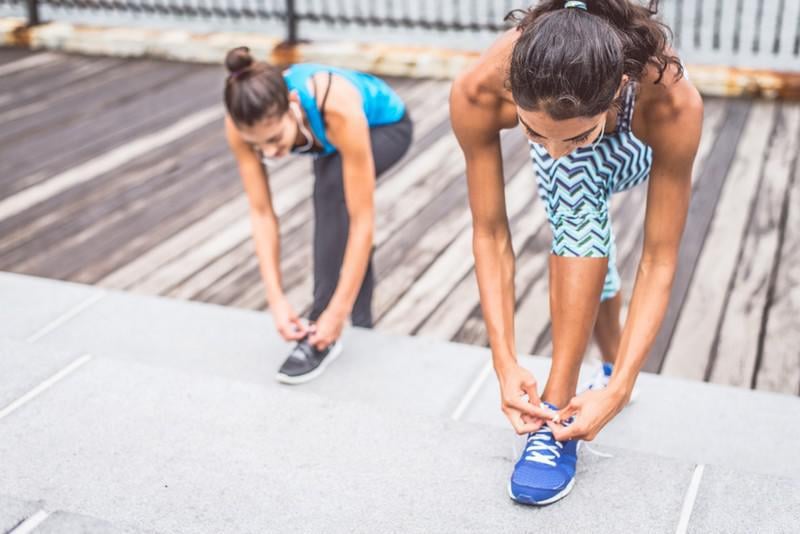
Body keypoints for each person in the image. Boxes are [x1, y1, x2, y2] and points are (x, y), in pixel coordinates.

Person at [450, 0, 702, 505]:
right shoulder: (478, 89)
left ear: (620, 88)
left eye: (572, 137)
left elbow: (658, 256)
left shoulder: (671, 102)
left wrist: (622, 390)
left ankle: (557, 410)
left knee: (576, 197)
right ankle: (601, 369)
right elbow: (490, 233)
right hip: (569, 121)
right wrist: (504, 361)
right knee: (576, 201)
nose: (552, 150)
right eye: (531, 133)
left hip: (636, 141)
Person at [224, 47, 413, 384]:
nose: (270, 153)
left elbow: (363, 220)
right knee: (335, 199)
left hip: (387, 127)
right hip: (325, 138)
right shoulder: (241, 121)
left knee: (331, 191)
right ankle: (362, 324)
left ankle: (321, 328)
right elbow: (262, 213)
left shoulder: (336, 107)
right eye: (258, 146)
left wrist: (334, 313)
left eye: (275, 139)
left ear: (293, 103)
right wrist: (276, 300)